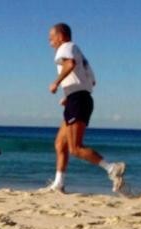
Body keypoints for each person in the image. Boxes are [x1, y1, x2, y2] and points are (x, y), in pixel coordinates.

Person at [47, 23, 125, 193]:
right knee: (60, 144)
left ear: (60, 36)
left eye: (51, 38)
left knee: (75, 148)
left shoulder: (65, 48)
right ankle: (58, 184)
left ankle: (111, 168)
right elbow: (92, 81)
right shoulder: (78, 51)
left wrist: (56, 82)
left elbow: (70, 64)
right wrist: (69, 95)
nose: (50, 42)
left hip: (78, 101)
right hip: (77, 99)